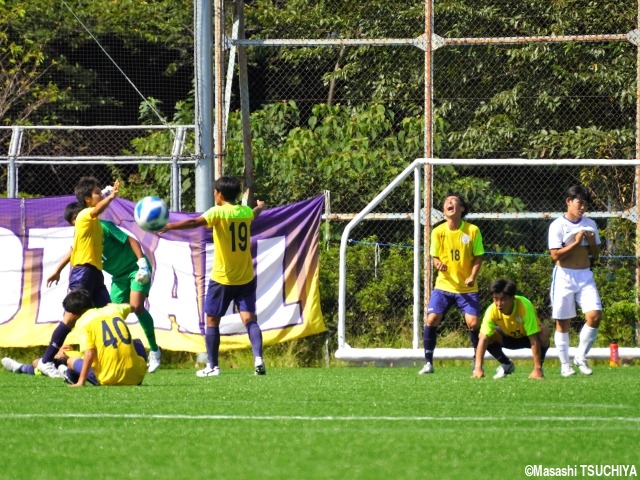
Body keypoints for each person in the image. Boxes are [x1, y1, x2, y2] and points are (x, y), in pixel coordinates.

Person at [161, 176, 266, 377]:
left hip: (223, 278)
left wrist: (170, 226)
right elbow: (255, 212)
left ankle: (213, 366)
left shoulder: (218, 212)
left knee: (211, 321)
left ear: (219, 194)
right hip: (245, 276)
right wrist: (261, 206)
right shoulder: (244, 212)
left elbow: (194, 222)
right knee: (249, 319)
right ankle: (258, 359)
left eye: (214, 191)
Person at [46, 202, 162, 373]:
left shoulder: (103, 226)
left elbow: (131, 240)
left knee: (137, 307)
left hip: (134, 268)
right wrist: (57, 270)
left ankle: (154, 350)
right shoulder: (83, 234)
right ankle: (119, 356)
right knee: (110, 315)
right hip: (118, 277)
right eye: (73, 220)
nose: (76, 222)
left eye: (77, 217)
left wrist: (142, 263)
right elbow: (73, 251)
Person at [37, 176, 120, 378]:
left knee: (107, 314)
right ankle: (46, 361)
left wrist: (57, 269)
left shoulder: (92, 222)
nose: (100, 194)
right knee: (71, 317)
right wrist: (112, 196)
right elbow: (97, 209)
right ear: (87, 199)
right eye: (97, 193)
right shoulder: (84, 215)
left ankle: (109, 360)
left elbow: (74, 248)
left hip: (94, 273)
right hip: (83, 272)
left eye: (101, 192)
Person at [419, 193, 485, 375]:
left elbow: (479, 257)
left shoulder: (472, 230)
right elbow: (435, 256)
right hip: (444, 286)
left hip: (466, 287)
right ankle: (428, 363)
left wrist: (472, 276)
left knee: (472, 323)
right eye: (447, 201)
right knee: (431, 319)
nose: (449, 202)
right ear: (444, 210)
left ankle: (477, 360)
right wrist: (437, 263)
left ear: (462, 208)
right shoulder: (438, 231)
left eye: (454, 201)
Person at [548, 185, 602, 377]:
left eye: (585, 204)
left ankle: (580, 357)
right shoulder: (557, 225)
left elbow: (596, 255)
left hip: (585, 275)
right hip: (564, 276)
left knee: (595, 315)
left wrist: (592, 241)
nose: (582, 207)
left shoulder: (590, 223)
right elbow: (555, 256)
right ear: (569, 201)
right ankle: (565, 365)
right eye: (580, 202)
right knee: (563, 322)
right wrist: (576, 243)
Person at [56, 289, 147, 387]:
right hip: (136, 378)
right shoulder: (114, 309)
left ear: (72, 314)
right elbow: (133, 307)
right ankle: (134, 373)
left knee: (71, 361)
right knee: (137, 343)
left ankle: (70, 376)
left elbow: (89, 353)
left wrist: (81, 382)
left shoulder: (82, 322)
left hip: (109, 379)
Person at [472, 279, 550, 380]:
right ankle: (507, 364)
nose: (499, 304)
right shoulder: (492, 310)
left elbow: (533, 338)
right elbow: (483, 339)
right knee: (483, 334)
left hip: (527, 339)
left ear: (512, 298)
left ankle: (538, 368)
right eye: (495, 299)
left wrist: (537, 368)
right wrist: (478, 368)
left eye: (503, 299)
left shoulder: (524, 306)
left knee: (544, 332)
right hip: (508, 339)